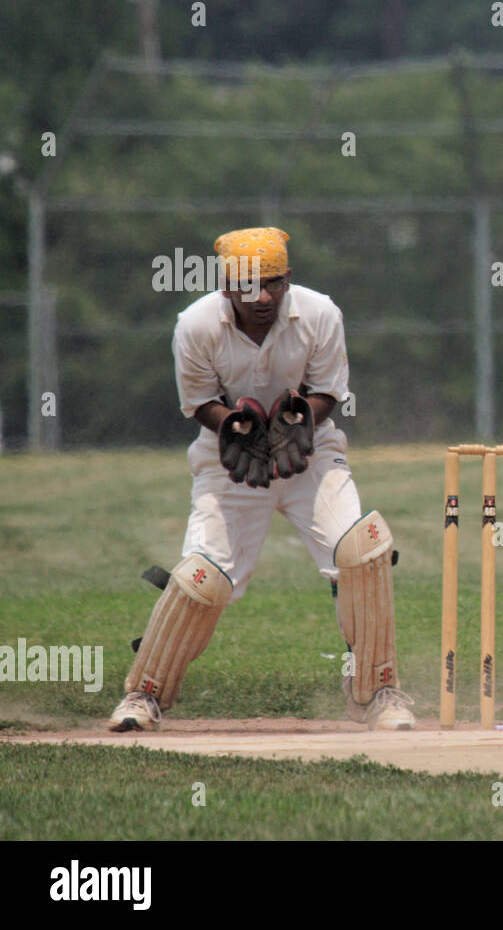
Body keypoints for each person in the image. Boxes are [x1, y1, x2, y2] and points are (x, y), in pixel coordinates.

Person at [108, 227, 415, 732]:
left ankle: (377, 690)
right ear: (226, 287)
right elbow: (199, 402)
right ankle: (144, 696)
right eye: (249, 285)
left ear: (288, 278)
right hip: (230, 461)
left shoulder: (320, 314)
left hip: (308, 455)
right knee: (201, 578)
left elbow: (329, 391)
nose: (263, 297)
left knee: (362, 550)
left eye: (273, 283)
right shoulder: (196, 325)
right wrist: (231, 426)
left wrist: (299, 421)